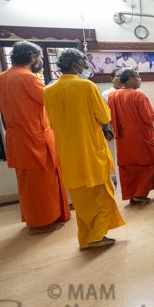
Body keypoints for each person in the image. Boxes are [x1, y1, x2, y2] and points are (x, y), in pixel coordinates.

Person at [44, 48, 125, 250]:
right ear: (75, 65)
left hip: (66, 152)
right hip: (90, 151)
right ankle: (96, 237)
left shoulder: (48, 90)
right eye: (83, 63)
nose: (85, 67)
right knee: (101, 196)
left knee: (81, 201)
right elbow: (105, 117)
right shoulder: (86, 86)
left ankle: (86, 238)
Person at [0, 41, 70, 234]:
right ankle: (42, 222)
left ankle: (40, 219)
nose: (42, 61)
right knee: (41, 184)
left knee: (28, 184)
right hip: (35, 137)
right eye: (41, 57)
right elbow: (49, 100)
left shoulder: (1, 78)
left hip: (17, 137)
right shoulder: (28, 78)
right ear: (31, 57)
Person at [108, 68, 154, 204]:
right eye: (138, 77)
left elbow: (110, 119)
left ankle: (132, 195)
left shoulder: (112, 96)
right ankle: (139, 194)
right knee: (149, 163)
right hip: (140, 138)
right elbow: (149, 118)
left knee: (129, 167)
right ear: (131, 79)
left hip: (123, 139)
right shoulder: (139, 96)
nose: (140, 80)